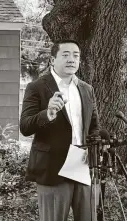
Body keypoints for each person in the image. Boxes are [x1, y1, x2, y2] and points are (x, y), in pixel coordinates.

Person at [20, 39, 101, 221]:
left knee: (89, 217)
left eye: (76, 55)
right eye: (65, 55)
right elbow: (25, 126)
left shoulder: (87, 89)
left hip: (82, 162)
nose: (71, 59)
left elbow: (94, 126)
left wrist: (94, 147)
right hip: (52, 165)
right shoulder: (37, 87)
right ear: (52, 59)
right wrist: (47, 113)